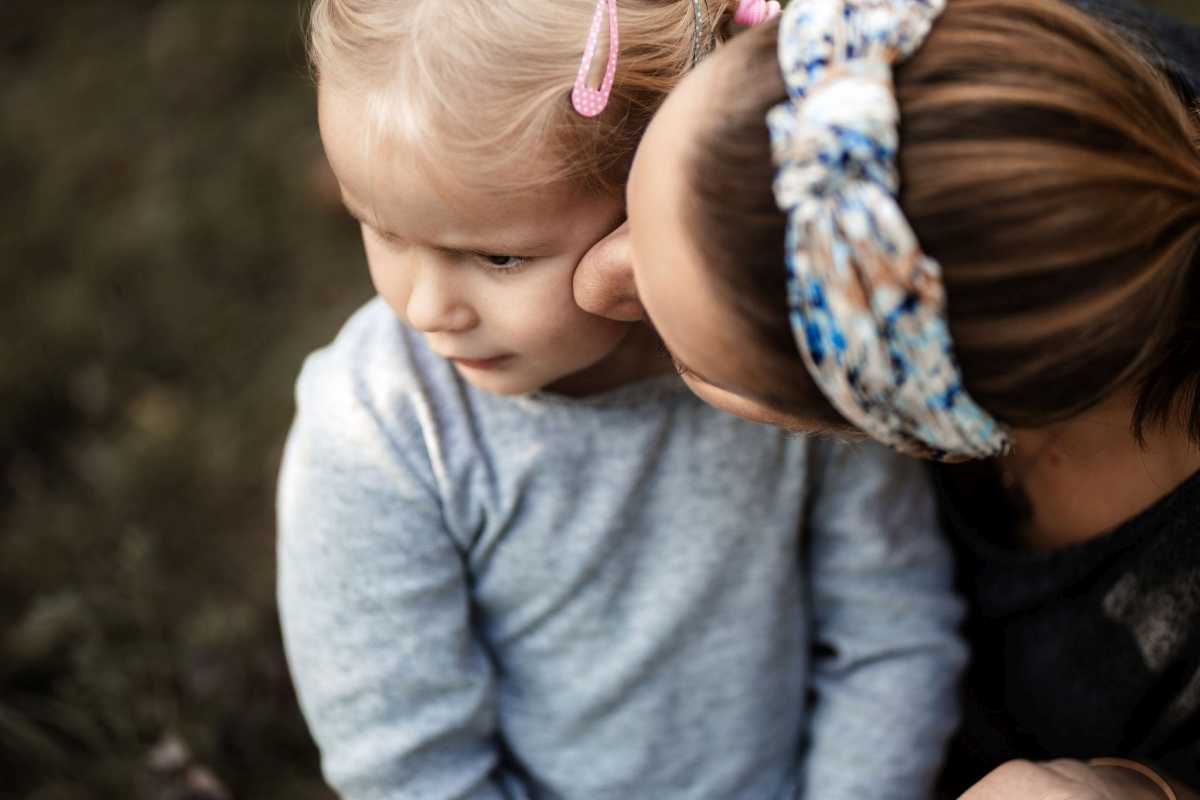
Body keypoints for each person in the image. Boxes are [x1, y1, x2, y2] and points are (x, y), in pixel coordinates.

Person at [276, 1, 968, 798]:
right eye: (384, 230)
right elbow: (410, 764)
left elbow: (892, 633)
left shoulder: (777, 367)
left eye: (499, 256)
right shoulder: (379, 435)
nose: (429, 306)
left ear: (661, 193)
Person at [572, 0, 1200, 797]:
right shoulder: (995, 91)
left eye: (675, 341)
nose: (593, 283)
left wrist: (1131, 789)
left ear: (911, 434)